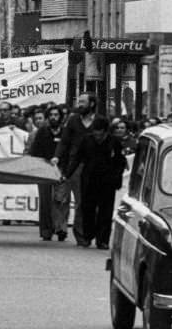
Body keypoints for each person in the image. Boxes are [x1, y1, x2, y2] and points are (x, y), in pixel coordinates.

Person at [64, 116, 126, 250]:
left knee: (106, 211)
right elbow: (77, 159)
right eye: (95, 133)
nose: (97, 137)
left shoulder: (114, 142)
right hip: (89, 180)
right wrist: (67, 174)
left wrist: (117, 179)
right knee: (88, 209)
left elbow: (120, 162)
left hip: (107, 181)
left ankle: (102, 240)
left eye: (100, 134)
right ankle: (87, 236)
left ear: (105, 132)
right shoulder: (86, 140)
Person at [53, 93, 100, 247]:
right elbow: (64, 142)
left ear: (92, 104)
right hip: (76, 166)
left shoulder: (99, 121)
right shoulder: (73, 120)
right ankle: (82, 236)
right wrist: (57, 157)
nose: (79, 104)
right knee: (80, 201)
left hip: (94, 166)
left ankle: (90, 231)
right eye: (78, 101)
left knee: (90, 201)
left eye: (83, 102)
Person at [29, 105, 65, 241]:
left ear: (61, 117)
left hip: (61, 169)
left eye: (56, 115)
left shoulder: (65, 132)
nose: (54, 117)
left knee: (61, 199)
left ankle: (61, 228)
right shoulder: (42, 132)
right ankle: (46, 230)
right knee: (45, 200)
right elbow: (34, 152)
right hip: (44, 169)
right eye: (51, 115)